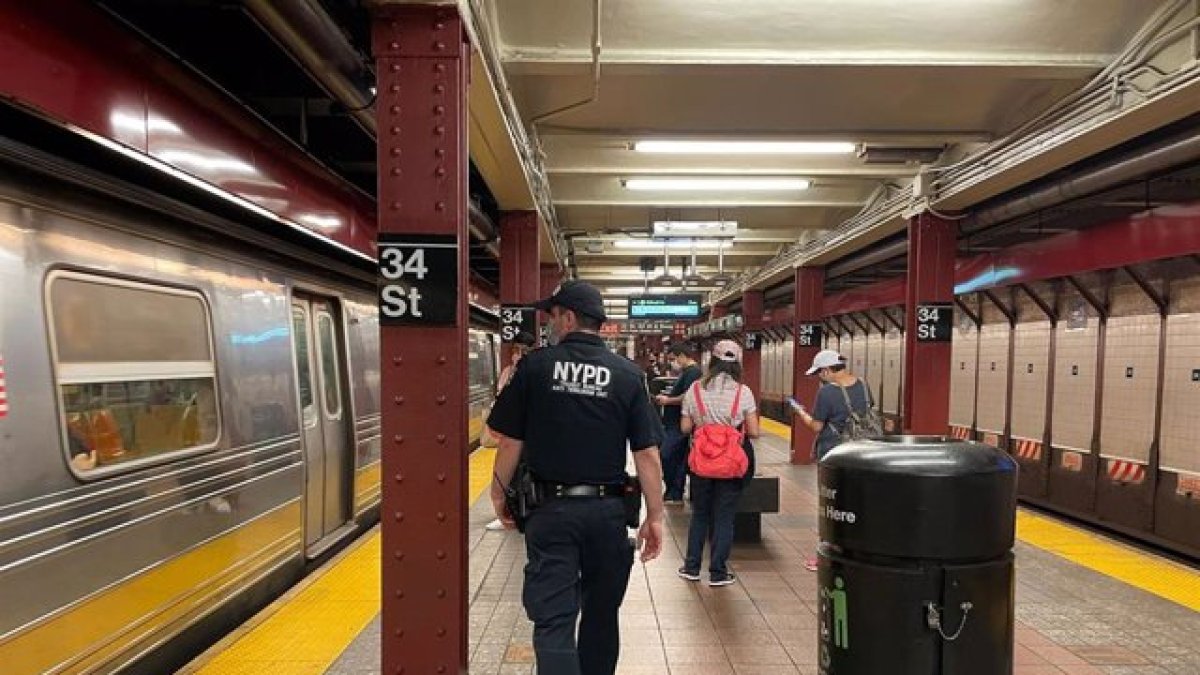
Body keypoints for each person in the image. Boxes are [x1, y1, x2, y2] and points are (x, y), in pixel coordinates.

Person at [487, 280, 666, 675]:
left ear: (567, 318)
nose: (548, 323)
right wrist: (656, 516)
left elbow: (508, 442)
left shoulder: (534, 367)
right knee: (602, 615)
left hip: (550, 512)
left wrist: (499, 495)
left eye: (551, 315)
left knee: (554, 620)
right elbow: (647, 454)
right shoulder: (627, 375)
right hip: (607, 513)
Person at [677, 339, 760, 587]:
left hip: (702, 462)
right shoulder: (743, 392)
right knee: (724, 517)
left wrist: (704, 424)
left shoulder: (694, 390)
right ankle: (718, 573)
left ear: (711, 361)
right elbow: (754, 432)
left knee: (700, 513)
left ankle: (692, 567)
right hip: (731, 464)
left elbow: (684, 428)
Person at [791, 349, 873, 571]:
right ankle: (857, 552)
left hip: (833, 454)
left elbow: (817, 426)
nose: (819, 377)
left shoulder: (827, 392)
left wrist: (801, 413)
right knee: (856, 502)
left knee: (830, 503)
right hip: (861, 454)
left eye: (819, 373)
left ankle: (826, 555)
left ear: (827, 370)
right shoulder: (864, 386)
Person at [484, 331, 538, 531]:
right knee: (513, 473)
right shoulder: (508, 372)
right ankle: (513, 510)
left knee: (520, 473)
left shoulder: (533, 374)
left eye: (524, 350)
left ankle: (517, 509)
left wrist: (496, 494)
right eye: (516, 350)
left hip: (523, 438)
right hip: (511, 434)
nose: (519, 354)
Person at [654, 342, 702, 504]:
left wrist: (668, 400)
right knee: (677, 457)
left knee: (667, 455)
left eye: (673, 359)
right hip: (674, 423)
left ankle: (675, 491)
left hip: (680, 424)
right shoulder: (686, 372)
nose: (672, 363)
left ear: (682, 356)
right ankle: (674, 493)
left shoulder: (693, 372)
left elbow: (689, 396)